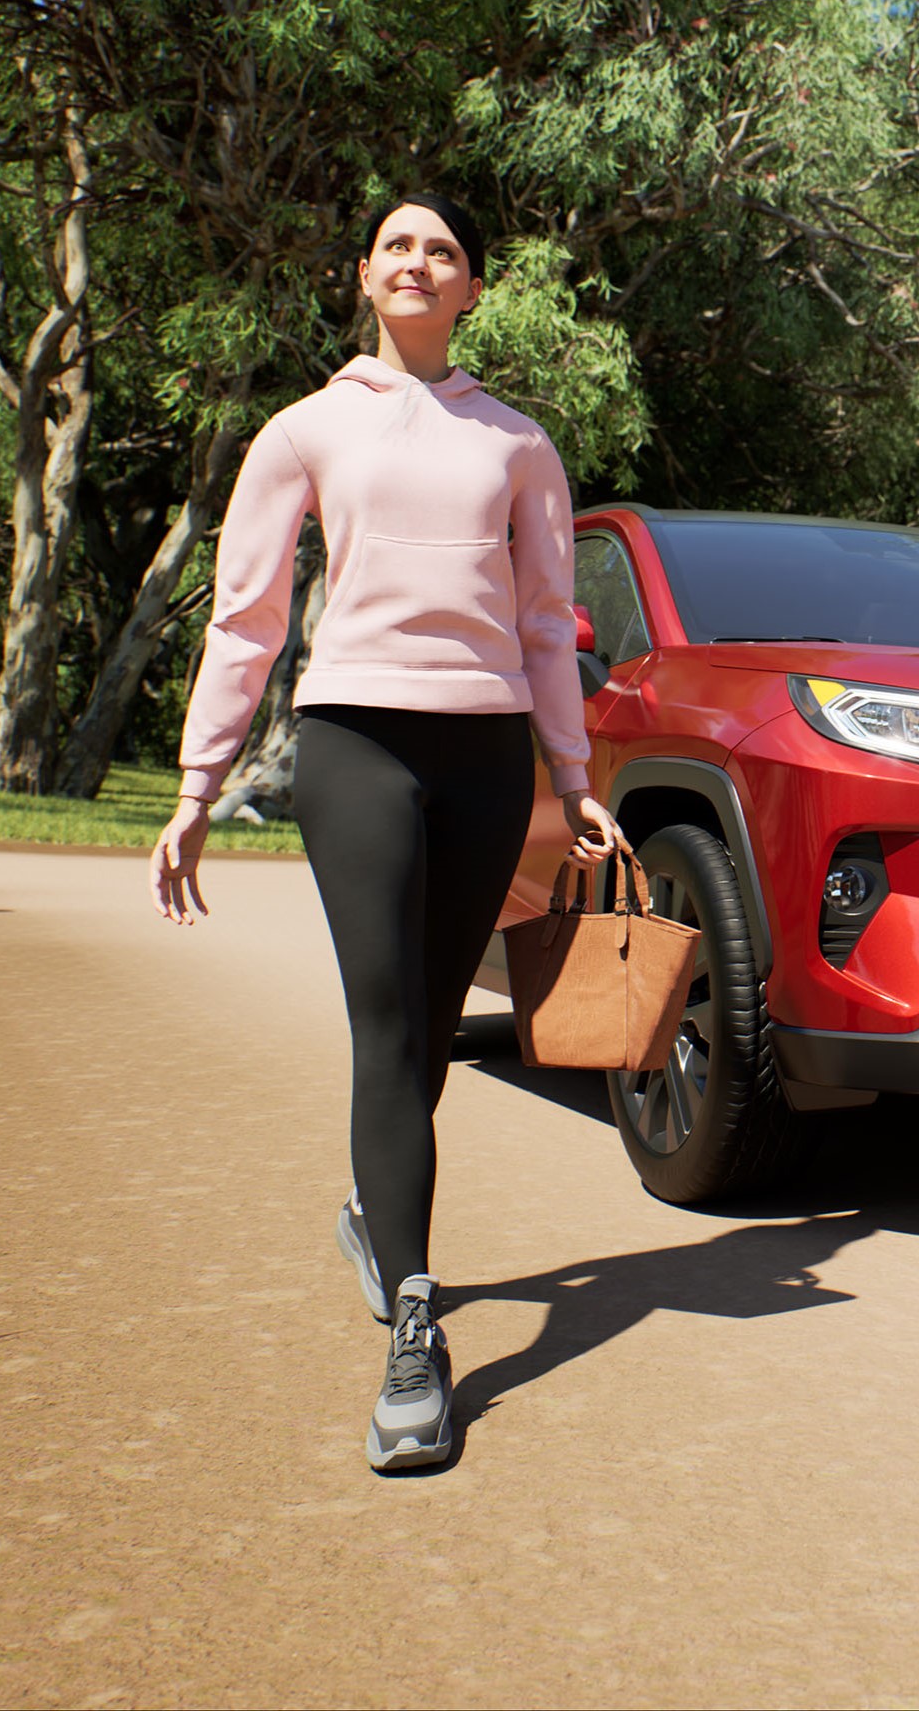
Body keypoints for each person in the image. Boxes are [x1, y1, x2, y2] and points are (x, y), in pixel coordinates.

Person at [147, 188, 622, 1473]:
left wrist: (572, 772)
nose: (420, 262)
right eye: (399, 245)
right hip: (354, 741)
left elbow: (543, 623)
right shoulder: (303, 432)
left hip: (485, 752)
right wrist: (200, 785)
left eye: (446, 251)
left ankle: (373, 1210)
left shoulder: (518, 444)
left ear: (473, 287)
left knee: (428, 1026)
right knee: (388, 1022)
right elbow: (246, 616)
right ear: (366, 274)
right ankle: (417, 1326)